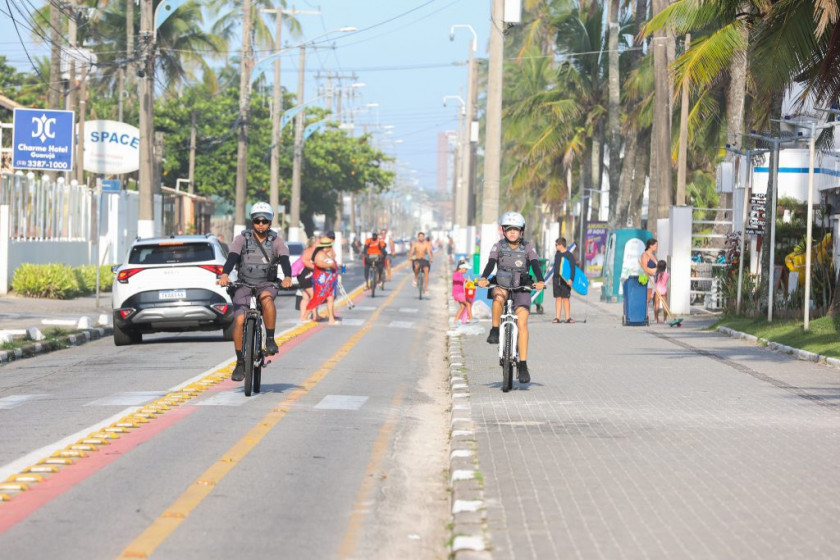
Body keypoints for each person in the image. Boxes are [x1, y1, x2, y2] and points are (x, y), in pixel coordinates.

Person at [218, 202, 293, 382]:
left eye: (264, 221)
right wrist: (225, 274)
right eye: (257, 221)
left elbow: (284, 259)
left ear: (270, 222)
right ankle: (240, 362)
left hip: (266, 283)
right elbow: (232, 257)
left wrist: (288, 276)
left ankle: (270, 340)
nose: (261, 224)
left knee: (267, 299)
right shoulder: (241, 239)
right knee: (239, 320)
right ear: (252, 221)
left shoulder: (276, 241)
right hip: (244, 284)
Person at [477, 212, 546, 384]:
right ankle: (494, 329)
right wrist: (484, 278)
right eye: (509, 229)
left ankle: (523, 365)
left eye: (516, 229)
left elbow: (535, 264)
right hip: (502, 283)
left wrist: (540, 281)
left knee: (522, 323)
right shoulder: (498, 246)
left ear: (521, 231)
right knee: (498, 297)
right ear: (503, 231)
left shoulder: (528, 247)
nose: (512, 232)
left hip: (522, 287)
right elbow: (491, 263)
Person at [307, 236, 340, 325]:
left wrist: (336, 266)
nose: (330, 248)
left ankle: (331, 318)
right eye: (329, 246)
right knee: (318, 297)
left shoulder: (325, 253)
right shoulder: (320, 254)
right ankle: (311, 315)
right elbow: (319, 263)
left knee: (330, 298)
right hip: (322, 281)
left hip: (328, 280)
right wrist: (330, 265)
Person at [552, 237, 576, 324]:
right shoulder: (557, 254)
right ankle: (557, 317)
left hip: (565, 281)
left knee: (566, 298)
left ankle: (567, 318)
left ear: (561, 245)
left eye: (556, 245)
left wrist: (571, 279)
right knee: (558, 298)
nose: (555, 246)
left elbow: (573, 268)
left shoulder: (569, 255)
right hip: (556, 279)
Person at [297, 236, 319, 322]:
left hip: (306, 276)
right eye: (318, 242)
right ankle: (308, 316)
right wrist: (316, 267)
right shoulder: (310, 251)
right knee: (314, 296)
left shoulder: (310, 250)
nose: (320, 243)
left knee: (306, 297)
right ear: (314, 243)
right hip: (306, 276)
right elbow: (305, 261)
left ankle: (308, 316)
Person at [452, 260, 473, 324]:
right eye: (465, 269)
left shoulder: (460, 274)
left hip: (459, 293)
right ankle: (470, 318)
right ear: (461, 268)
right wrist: (464, 279)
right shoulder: (456, 273)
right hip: (458, 293)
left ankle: (456, 320)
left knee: (463, 306)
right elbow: (454, 278)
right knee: (468, 303)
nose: (466, 271)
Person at [639, 238, 658, 307]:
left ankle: (656, 314)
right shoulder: (645, 255)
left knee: (656, 299)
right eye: (656, 245)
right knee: (648, 298)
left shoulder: (653, 256)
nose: (657, 247)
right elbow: (644, 268)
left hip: (655, 279)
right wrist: (652, 272)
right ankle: (645, 313)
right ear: (651, 246)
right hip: (648, 279)